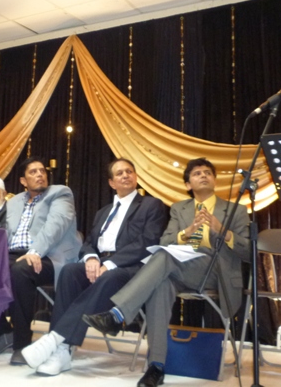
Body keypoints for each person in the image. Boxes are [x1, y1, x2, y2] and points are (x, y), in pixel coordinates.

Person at [84, 158, 249, 387]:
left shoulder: (235, 210)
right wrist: (187, 232)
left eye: (207, 172)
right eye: (197, 173)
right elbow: (167, 240)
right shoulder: (179, 209)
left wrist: (223, 231)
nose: (203, 175)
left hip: (215, 270)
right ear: (188, 184)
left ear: (214, 180)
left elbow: (248, 251)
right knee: (161, 280)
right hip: (181, 266)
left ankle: (118, 314)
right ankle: (156, 367)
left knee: (163, 256)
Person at [21, 158, 167, 375]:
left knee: (109, 277)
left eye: (129, 171)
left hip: (131, 269)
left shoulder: (151, 205)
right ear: (111, 183)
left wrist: (109, 263)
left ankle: (55, 340)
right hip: (101, 265)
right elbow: (90, 242)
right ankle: (62, 352)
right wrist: (90, 258)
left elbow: (147, 242)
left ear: (136, 177)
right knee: (70, 272)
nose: (125, 175)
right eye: (119, 173)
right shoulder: (103, 211)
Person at [0, 157, 81, 364]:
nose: (39, 175)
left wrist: (35, 251)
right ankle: (0, 333)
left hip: (51, 257)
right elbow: (6, 234)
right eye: (33, 172)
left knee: (20, 270)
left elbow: (55, 226)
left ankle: (22, 343)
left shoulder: (60, 193)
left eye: (41, 171)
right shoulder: (15, 201)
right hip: (16, 254)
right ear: (23, 181)